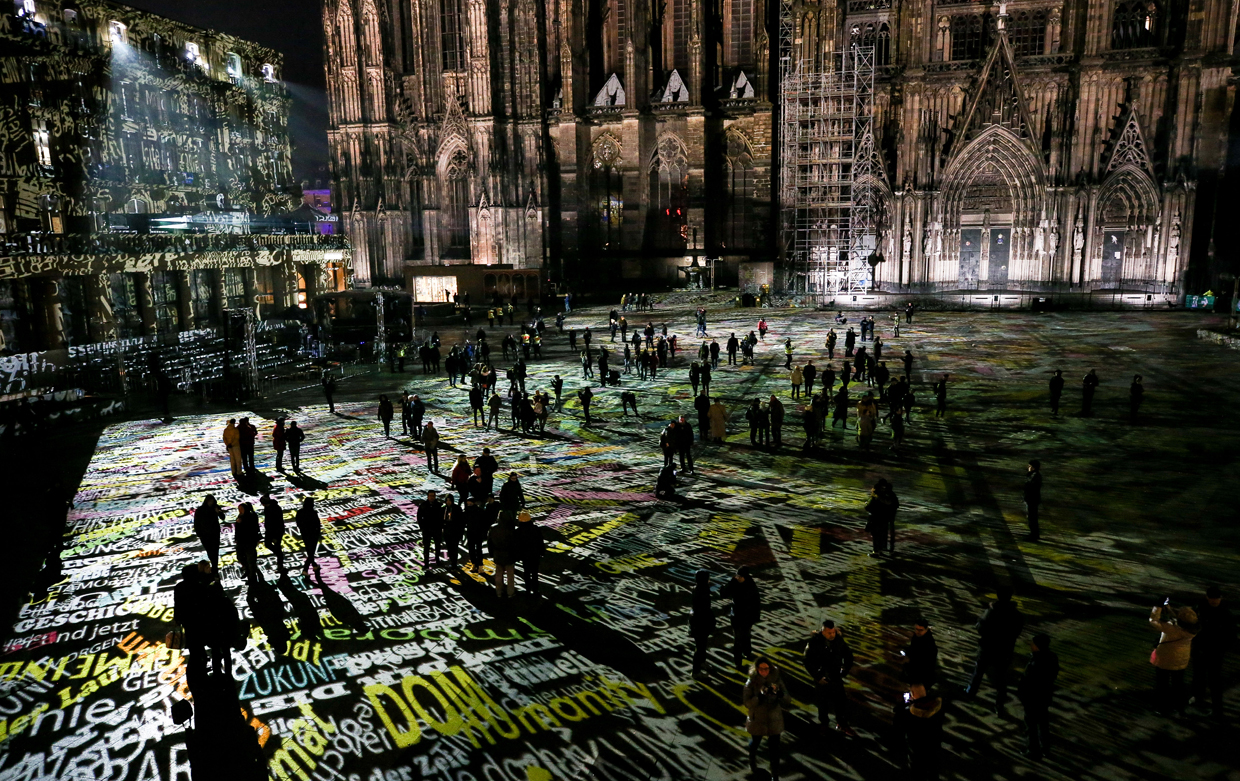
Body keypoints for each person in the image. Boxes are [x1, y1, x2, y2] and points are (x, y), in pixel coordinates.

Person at [963, 586, 1025, 714]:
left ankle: (970, 692)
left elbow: (980, 628)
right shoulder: (1016, 615)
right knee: (1001, 678)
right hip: (1004, 650)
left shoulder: (991, 611)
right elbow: (1016, 632)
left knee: (979, 671)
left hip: (988, 647)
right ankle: (1000, 704)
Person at [804, 619, 857, 737]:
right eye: (829, 633)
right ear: (823, 632)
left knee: (840, 702)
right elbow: (807, 662)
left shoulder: (838, 641)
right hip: (822, 678)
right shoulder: (814, 643)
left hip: (835, 677)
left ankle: (842, 723)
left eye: (833, 632)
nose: (832, 635)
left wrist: (844, 670)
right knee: (822, 703)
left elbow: (848, 656)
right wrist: (817, 676)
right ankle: (824, 724)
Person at [743, 657, 789, 780]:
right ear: (757, 669)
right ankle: (752, 756)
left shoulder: (776, 679)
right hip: (758, 719)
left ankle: (775, 774)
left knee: (774, 749)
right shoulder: (751, 682)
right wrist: (759, 697)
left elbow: (788, 698)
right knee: (756, 742)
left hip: (774, 718)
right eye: (761, 669)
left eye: (767, 669)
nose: (764, 671)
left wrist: (780, 695)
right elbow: (747, 703)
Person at [1150, 600, 1198, 714]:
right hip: (1181, 660)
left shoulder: (1170, 628)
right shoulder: (1192, 629)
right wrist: (1169, 608)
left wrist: (1158, 607)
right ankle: (1180, 707)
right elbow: (1182, 619)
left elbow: (1153, 620)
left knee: (1163, 685)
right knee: (1178, 684)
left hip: (1165, 660)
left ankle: (1163, 709)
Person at [1191, 585, 1233, 718]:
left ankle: (1217, 709)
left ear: (1221, 598)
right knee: (1199, 676)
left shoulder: (1225, 613)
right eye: (1212, 598)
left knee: (1214, 681)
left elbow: (1230, 634)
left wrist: (1222, 649)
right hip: (1200, 649)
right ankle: (1199, 698)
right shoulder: (1199, 608)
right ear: (1207, 598)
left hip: (1215, 652)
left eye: (1216, 598)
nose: (1214, 601)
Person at [1016, 633, 1059, 760]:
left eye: (1033, 643)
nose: (1031, 645)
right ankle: (1045, 748)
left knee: (1031, 725)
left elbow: (1029, 681)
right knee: (1043, 723)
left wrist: (1023, 694)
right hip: (1044, 696)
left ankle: (1033, 750)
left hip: (1033, 698)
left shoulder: (1036, 662)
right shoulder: (1052, 657)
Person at [891, 682, 944, 780]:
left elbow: (898, 724)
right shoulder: (937, 707)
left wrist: (905, 704)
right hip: (933, 745)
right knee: (933, 767)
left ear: (913, 694)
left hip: (916, 747)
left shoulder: (908, 713)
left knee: (917, 770)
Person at [720, 567, 761, 668]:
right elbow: (723, 594)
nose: (738, 578)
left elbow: (756, 602)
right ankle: (738, 661)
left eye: (740, 576)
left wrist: (755, 617)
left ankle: (747, 653)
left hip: (747, 616)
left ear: (745, 577)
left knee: (746, 636)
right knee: (738, 639)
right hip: (737, 616)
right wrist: (730, 582)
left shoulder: (751, 585)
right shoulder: (735, 583)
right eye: (737, 575)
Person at [689, 570, 715, 676]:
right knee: (700, 647)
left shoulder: (700, 588)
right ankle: (696, 671)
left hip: (699, 622)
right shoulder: (702, 590)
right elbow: (704, 609)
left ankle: (702, 663)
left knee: (702, 646)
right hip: (701, 623)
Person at [513, 511, 545, 595]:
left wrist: (517, 556)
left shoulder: (518, 531)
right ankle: (535, 590)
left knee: (526, 573)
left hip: (525, 556)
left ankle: (527, 590)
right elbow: (540, 541)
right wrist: (542, 552)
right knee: (535, 573)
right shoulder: (536, 529)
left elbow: (516, 545)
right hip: (535, 554)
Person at [865, 479, 897, 557]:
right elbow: (895, 505)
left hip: (876, 518)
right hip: (885, 518)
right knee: (883, 534)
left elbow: (868, 507)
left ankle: (876, 551)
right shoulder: (890, 494)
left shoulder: (876, 495)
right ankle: (883, 549)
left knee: (876, 535)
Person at [194, 495, 226, 572]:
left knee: (215, 551)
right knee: (210, 551)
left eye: (212, 501)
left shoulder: (216, 508)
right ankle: (213, 565)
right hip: (204, 534)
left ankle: (214, 567)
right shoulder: (200, 510)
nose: (211, 503)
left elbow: (223, 517)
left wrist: (218, 511)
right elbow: (196, 523)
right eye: (210, 501)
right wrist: (199, 534)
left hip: (214, 534)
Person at [488, 512, 517, 597]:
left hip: (497, 553)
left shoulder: (493, 528)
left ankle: (499, 592)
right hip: (509, 554)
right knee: (510, 576)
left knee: (498, 574)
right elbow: (515, 543)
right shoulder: (511, 529)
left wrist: (491, 553)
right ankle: (510, 592)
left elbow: (489, 542)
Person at [902, 619, 939, 686]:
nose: (918, 632)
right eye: (916, 629)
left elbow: (926, 661)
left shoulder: (929, 643)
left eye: (920, 630)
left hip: (922, 674)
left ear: (926, 629)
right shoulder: (917, 636)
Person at [233, 502, 261, 583]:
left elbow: (252, 529)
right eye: (239, 509)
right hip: (241, 541)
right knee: (240, 557)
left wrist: (241, 523)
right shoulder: (240, 517)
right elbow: (237, 530)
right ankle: (247, 569)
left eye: (241, 509)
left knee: (250, 560)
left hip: (249, 541)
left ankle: (252, 578)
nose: (240, 511)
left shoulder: (251, 517)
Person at [418, 490, 444, 565]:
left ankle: (437, 559)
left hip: (437, 529)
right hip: (426, 529)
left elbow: (442, 516)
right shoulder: (423, 505)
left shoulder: (439, 505)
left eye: (433, 496)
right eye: (430, 496)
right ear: (428, 496)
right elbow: (419, 517)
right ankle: (426, 561)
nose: (432, 497)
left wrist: (441, 526)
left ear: (435, 496)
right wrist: (422, 527)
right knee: (426, 546)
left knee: (438, 545)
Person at [260, 494, 285, 572]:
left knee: (275, 546)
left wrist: (275, 536)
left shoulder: (275, 509)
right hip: (270, 530)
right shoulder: (267, 508)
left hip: (276, 531)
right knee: (268, 544)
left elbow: (277, 522)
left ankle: (280, 561)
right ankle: (279, 555)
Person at [295, 496, 321, 573]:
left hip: (305, 534)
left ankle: (314, 565)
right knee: (311, 552)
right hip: (313, 534)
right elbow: (317, 524)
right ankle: (305, 569)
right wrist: (318, 532)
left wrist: (302, 529)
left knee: (310, 551)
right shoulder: (313, 513)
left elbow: (298, 523)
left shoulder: (300, 512)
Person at [442, 496, 465, 568]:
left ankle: (454, 564)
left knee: (454, 548)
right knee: (449, 548)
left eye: (449, 500)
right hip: (447, 532)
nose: (448, 502)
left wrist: (460, 533)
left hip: (455, 532)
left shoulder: (457, 508)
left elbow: (461, 522)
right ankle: (452, 562)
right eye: (447, 500)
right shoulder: (443, 508)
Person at [1024, 460, 1043, 541]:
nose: (1028, 467)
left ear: (1033, 467)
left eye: (1029, 466)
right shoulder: (1034, 475)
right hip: (1032, 499)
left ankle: (1034, 535)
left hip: (1032, 500)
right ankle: (1034, 534)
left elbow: (1031, 487)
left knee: (1032, 518)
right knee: (1032, 517)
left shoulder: (1035, 476)